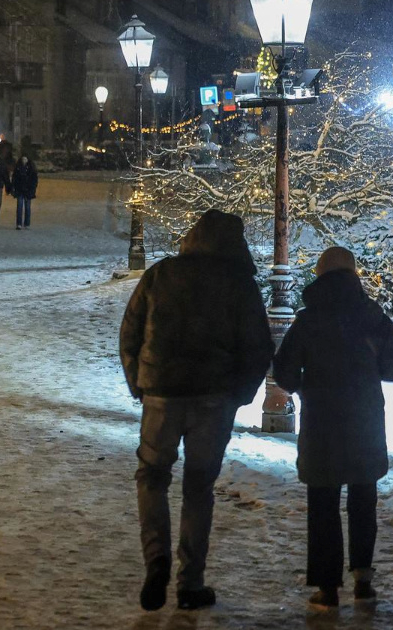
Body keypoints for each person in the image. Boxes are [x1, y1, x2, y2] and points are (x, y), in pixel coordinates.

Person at [119, 210, 273, 611]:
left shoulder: (161, 273)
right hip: (213, 398)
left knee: (152, 476)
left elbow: (131, 330)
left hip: (161, 394)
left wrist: (139, 380)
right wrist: (239, 393)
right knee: (199, 488)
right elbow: (258, 346)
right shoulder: (240, 284)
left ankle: (156, 560)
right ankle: (190, 583)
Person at [272, 247, 393, 611]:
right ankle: (363, 581)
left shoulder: (308, 320)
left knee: (322, 502)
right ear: (353, 276)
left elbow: (284, 374)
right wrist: (368, 372)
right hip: (365, 419)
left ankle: (327, 588)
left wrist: (307, 386)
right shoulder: (371, 316)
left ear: (319, 276)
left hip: (321, 422)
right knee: (363, 498)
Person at [10, 155, 38, 230]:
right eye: (23, 159)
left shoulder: (31, 169)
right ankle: (19, 224)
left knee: (27, 207)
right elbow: (14, 179)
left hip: (28, 190)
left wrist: (32, 189)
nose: (24, 161)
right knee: (19, 207)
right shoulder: (18, 168)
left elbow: (34, 180)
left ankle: (27, 223)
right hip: (19, 190)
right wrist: (13, 188)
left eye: (25, 159)